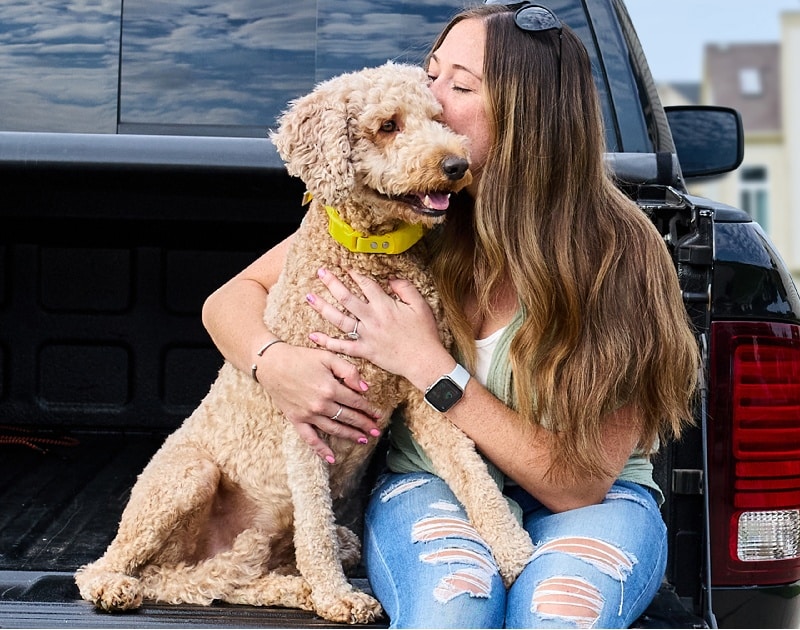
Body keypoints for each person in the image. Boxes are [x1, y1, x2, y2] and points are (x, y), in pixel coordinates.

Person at [201, 2, 700, 627]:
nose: (429, 97)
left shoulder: (619, 255)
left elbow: (578, 486)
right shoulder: (407, 214)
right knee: (454, 614)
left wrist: (428, 364)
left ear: (528, 116)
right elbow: (229, 298)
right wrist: (275, 364)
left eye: (459, 86)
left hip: (592, 499)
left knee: (557, 616)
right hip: (430, 484)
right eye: (430, 73)